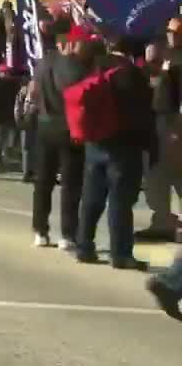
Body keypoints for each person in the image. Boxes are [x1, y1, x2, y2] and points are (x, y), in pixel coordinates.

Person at [73, 34, 151, 270]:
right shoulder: (131, 73)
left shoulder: (93, 66)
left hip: (95, 140)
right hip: (123, 145)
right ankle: (120, 253)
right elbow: (142, 113)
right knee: (119, 200)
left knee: (92, 197)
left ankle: (84, 246)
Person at [32, 28, 92, 249]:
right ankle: (67, 233)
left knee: (43, 181)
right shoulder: (74, 67)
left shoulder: (43, 63)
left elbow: (33, 92)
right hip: (68, 128)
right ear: (70, 43)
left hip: (44, 125)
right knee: (70, 183)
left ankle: (40, 230)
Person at [140, 19, 182, 242]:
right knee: (156, 174)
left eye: (176, 32)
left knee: (176, 173)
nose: (171, 35)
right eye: (169, 32)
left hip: (173, 122)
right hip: (156, 122)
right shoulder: (162, 59)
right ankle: (162, 220)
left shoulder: (178, 61)